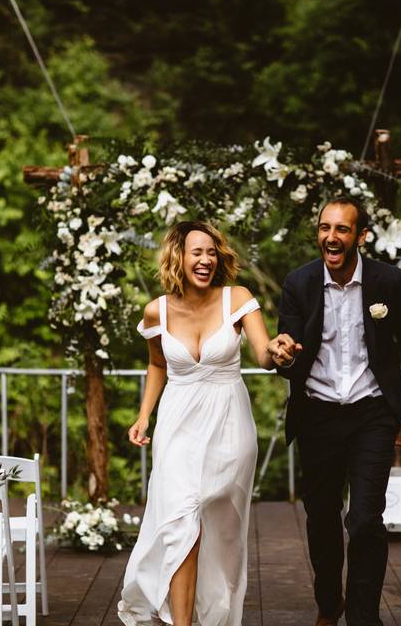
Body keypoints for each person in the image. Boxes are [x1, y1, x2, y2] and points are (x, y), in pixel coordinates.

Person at [117, 220, 290, 626]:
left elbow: (264, 355)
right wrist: (144, 415)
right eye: (197, 252)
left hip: (229, 424)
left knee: (223, 536)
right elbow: (157, 363)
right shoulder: (155, 310)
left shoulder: (237, 299)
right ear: (178, 256)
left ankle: (216, 615)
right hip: (177, 425)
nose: (206, 259)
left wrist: (280, 352)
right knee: (181, 525)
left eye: (211, 252)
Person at [269, 198, 401, 626]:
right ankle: (328, 602)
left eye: (342, 229)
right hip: (317, 413)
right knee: (321, 517)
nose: (331, 237)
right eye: (325, 228)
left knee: (364, 520)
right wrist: (284, 352)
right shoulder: (299, 283)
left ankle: (363, 616)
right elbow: (288, 340)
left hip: (371, 412)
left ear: (361, 237)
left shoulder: (388, 282)